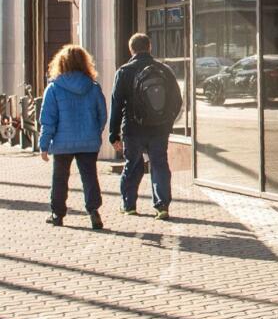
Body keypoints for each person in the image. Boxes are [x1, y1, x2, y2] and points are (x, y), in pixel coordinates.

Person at [110, 33, 182, 221]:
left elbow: (116, 105)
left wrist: (113, 133)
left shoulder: (124, 72)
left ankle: (129, 205)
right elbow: (177, 100)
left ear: (131, 49)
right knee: (159, 164)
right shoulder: (164, 70)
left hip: (133, 130)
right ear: (150, 47)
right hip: (159, 129)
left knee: (132, 165)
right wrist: (167, 122)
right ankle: (162, 206)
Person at [38, 45, 108, 229]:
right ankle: (94, 211)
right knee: (90, 177)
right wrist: (95, 132)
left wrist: (44, 145)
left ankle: (57, 214)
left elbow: (48, 120)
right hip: (88, 141)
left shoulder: (53, 88)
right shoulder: (93, 87)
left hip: (62, 143)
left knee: (60, 178)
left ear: (60, 63)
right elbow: (102, 114)